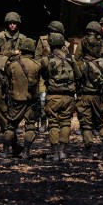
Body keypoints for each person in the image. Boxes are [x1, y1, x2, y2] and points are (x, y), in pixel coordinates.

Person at [40, 32, 80, 161]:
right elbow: (79, 76)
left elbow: (43, 75)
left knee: (53, 123)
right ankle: (63, 151)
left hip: (53, 96)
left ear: (50, 44)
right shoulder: (70, 58)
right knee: (65, 123)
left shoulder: (46, 59)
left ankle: (54, 152)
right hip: (68, 97)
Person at [74, 21, 103, 160]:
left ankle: (88, 151)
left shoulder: (82, 48)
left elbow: (76, 63)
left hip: (85, 93)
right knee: (100, 122)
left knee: (86, 124)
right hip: (99, 94)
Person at [6, 37, 41, 159]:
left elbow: (8, 76)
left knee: (11, 125)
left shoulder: (13, 65)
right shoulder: (37, 65)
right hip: (31, 100)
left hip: (16, 99)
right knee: (30, 126)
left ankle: (5, 152)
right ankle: (26, 152)